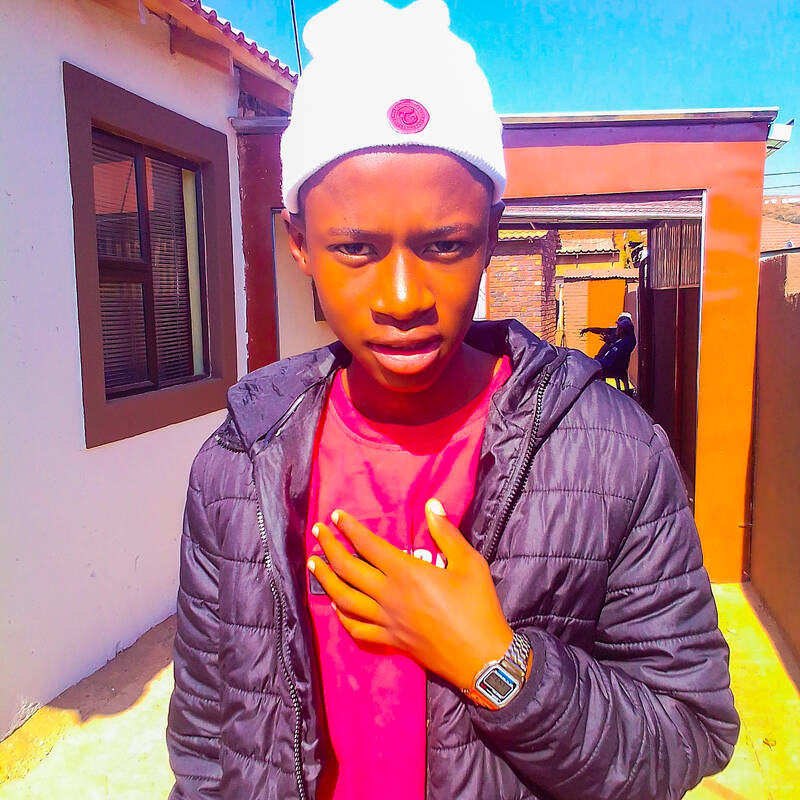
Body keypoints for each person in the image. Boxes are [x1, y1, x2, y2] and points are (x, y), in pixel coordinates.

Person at [166, 1, 738, 798]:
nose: (403, 297)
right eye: (355, 249)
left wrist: (494, 663)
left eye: (445, 244)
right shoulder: (237, 467)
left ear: (491, 233)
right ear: (299, 243)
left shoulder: (615, 456)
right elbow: (206, 747)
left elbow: (690, 731)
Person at [582, 312, 637, 393]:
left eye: (618, 327)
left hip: (609, 366)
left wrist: (610, 343)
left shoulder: (626, 342)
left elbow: (613, 359)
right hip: (606, 363)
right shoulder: (621, 340)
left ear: (622, 329)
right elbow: (602, 330)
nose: (617, 328)